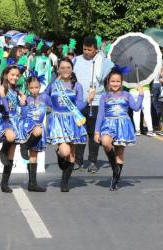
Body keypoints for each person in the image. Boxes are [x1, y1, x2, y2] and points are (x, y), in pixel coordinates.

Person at [43, 58, 95, 192]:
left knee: (72, 153)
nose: (65, 70)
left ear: (72, 69)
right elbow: (44, 95)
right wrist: (52, 104)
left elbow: (78, 106)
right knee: (64, 151)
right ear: (58, 69)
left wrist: (88, 100)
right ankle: (59, 153)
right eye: (62, 67)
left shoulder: (77, 86)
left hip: (72, 120)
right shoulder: (54, 83)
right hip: (58, 121)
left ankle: (64, 183)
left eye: (68, 67)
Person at [95, 67, 143, 191]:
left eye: (118, 81)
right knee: (105, 143)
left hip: (123, 125)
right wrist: (96, 131)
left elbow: (136, 107)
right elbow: (100, 115)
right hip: (108, 124)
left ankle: (115, 181)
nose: (115, 84)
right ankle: (114, 167)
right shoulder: (104, 96)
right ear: (108, 82)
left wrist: (141, 94)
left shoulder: (127, 95)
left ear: (121, 82)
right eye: (113, 81)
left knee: (120, 153)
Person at [73, 36, 114, 173]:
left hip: (97, 103)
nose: (86, 52)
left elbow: (109, 79)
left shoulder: (103, 62)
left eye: (89, 50)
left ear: (95, 50)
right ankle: (77, 160)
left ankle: (92, 161)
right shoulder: (76, 60)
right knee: (80, 132)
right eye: (84, 49)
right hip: (80, 102)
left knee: (93, 134)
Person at [0, 65, 24, 193]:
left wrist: (23, 99)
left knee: (11, 153)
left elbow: (20, 106)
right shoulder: (0, 88)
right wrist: (2, 95)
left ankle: (4, 183)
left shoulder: (16, 90)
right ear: (6, 74)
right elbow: (3, 106)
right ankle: (2, 151)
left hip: (15, 121)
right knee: (10, 137)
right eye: (12, 74)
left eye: (17, 75)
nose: (15, 77)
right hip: (5, 120)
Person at [18, 74, 47, 192]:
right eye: (31, 88)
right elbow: (23, 116)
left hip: (39, 128)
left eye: (36, 87)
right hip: (28, 127)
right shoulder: (26, 99)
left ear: (40, 86)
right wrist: (23, 103)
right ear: (28, 88)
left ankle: (32, 183)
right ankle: (24, 145)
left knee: (34, 155)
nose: (34, 90)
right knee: (37, 130)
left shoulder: (44, 97)